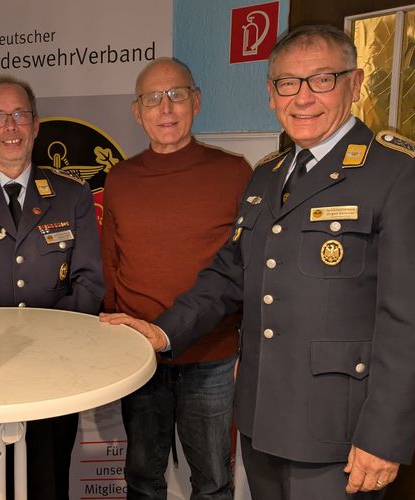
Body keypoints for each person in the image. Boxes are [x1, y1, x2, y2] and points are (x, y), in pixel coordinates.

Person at [102, 25, 415, 500]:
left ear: (355, 82)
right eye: (288, 83)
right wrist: (163, 332)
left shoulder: (400, 171)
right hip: (264, 419)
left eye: (322, 79)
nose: (303, 98)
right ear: (271, 94)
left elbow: (414, 320)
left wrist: (384, 437)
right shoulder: (269, 175)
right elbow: (230, 273)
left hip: (342, 433)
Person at [0, 75, 104, 499]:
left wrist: (47, 347)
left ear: (36, 123)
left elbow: (89, 282)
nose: (11, 127)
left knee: (47, 480)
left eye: (20, 115)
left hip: (55, 371)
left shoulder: (71, 193)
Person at [102, 57, 252, 499]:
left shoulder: (234, 172)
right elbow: (111, 261)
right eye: (153, 99)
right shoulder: (121, 178)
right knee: (143, 480)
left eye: (177, 95)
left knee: (212, 481)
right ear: (137, 111)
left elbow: (244, 266)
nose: (166, 109)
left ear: (196, 102)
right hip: (139, 359)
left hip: (213, 358)